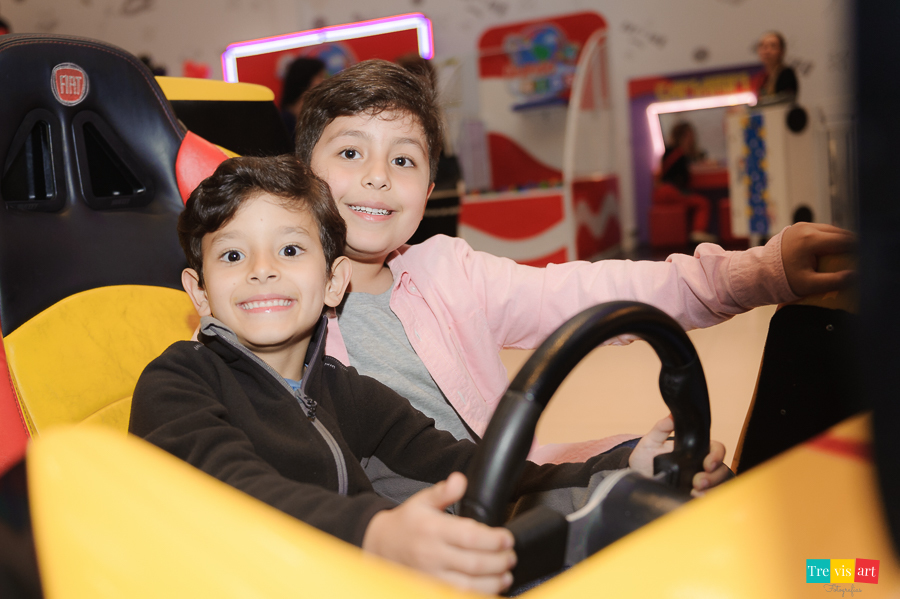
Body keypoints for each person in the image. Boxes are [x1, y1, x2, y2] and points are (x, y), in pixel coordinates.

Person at [128, 155, 731, 594]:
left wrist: (616, 468)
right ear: (199, 292)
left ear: (334, 281)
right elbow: (235, 494)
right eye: (232, 256)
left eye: (290, 250)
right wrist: (377, 534)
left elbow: (471, 468)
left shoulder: (345, 389)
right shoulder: (177, 382)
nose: (262, 271)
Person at [294, 59, 855, 467]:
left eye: (403, 159)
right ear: (300, 172)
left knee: (702, 469)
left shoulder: (448, 271)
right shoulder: (269, 299)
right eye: (350, 152)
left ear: (431, 189)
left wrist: (760, 271)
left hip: (514, 489)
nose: (378, 175)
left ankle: (839, 573)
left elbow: (591, 292)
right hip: (404, 542)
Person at [654, 121, 716, 244]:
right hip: (671, 192)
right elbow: (684, 179)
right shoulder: (682, 155)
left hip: (659, 193)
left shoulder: (667, 152)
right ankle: (698, 232)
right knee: (702, 202)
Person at [280, 56, 327, 138]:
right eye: (320, 77)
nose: (324, 81)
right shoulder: (283, 121)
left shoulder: (319, 115)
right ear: (306, 79)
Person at [755, 31, 798, 103]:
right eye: (763, 47)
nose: (767, 51)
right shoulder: (761, 78)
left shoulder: (786, 74)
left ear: (781, 51)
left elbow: (785, 100)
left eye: (773, 46)